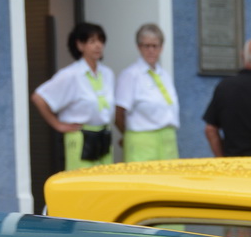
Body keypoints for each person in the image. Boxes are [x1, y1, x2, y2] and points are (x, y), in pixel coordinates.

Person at [32, 22, 116, 169]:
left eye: (100, 41)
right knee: (82, 181)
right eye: (92, 41)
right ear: (80, 45)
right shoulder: (70, 74)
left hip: (103, 136)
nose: (98, 46)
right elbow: (38, 97)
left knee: (105, 180)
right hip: (81, 138)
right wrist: (58, 124)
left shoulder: (107, 73)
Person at [114, 23, 180, 163]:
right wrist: (129, 135)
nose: (151, 50)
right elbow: (118, 113)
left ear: (161, 48)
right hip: (142, 143)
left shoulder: (164, 75)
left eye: (155, 46)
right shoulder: (130, 75)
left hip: (167, 143)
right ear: (139, 47)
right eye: (146, 46)